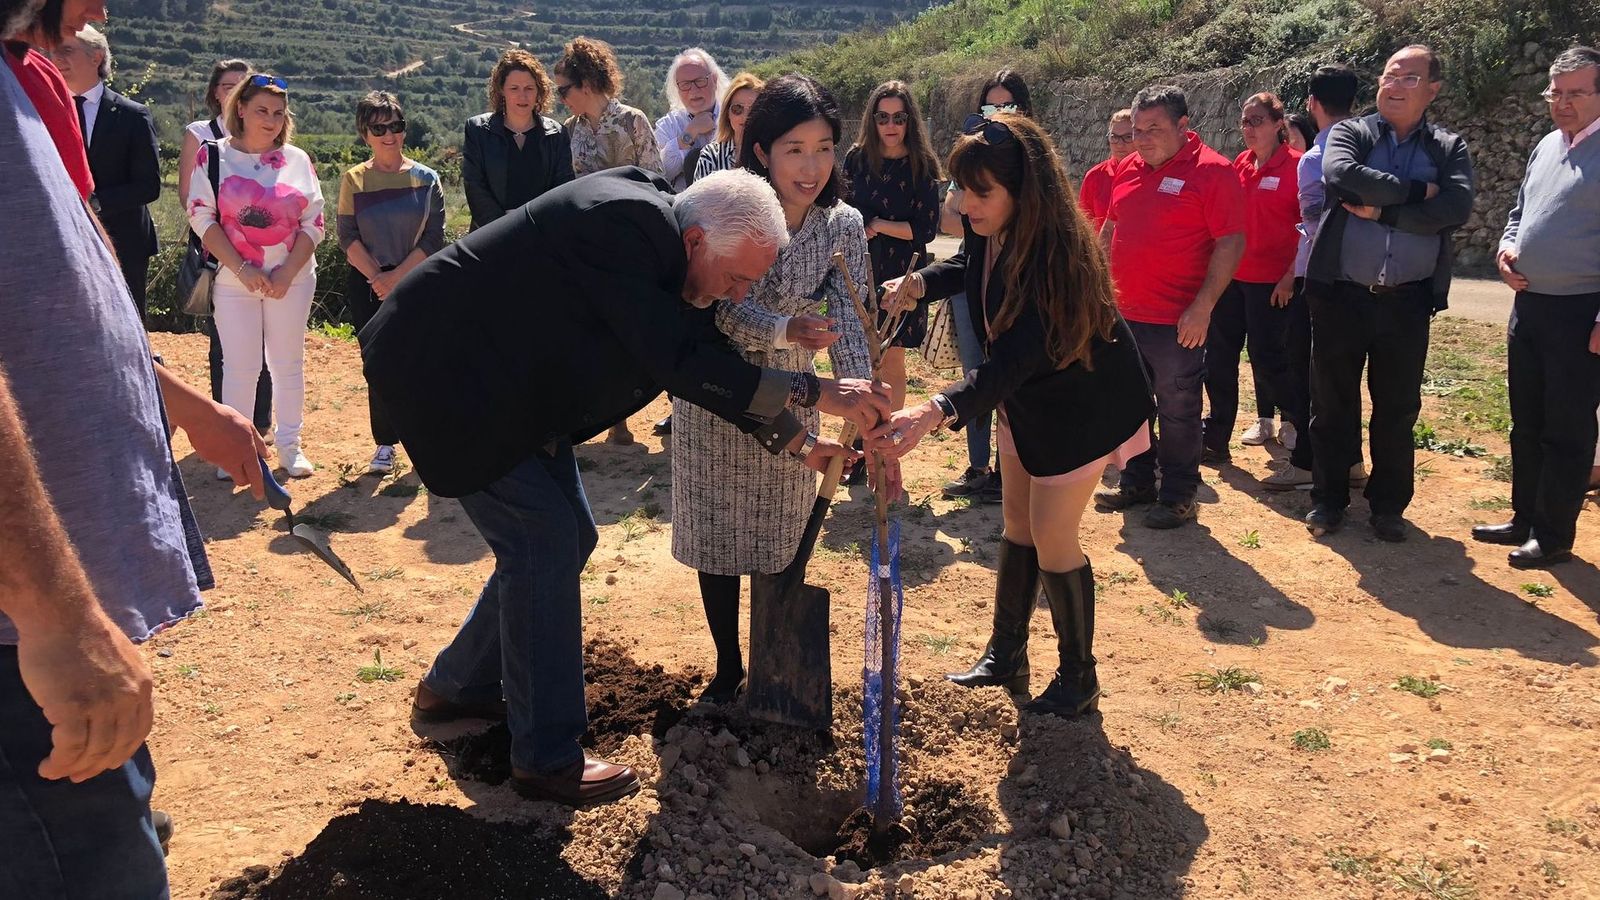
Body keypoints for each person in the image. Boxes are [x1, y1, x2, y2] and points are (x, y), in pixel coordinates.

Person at [361, 167, 888, 806]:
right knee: (544, 541)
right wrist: (813, 390)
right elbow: (676, 360)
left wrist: (800, 442)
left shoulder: (676, 256)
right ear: (696, 240)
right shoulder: (619, 226)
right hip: (449, 376)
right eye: (736, 278)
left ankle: (455, 687)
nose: (740, 293)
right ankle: (546, 759)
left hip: (513, 391)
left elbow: (709, 357)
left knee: (566, 538)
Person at [1, 0, 270, 888]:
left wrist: (182, 401)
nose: (100, 11)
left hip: (64, 581)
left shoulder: (25, 74)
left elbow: (71, 277)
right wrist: (52, 614)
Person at [873, 112, 1153, 717]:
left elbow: (1014, 360)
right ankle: (1006, 654)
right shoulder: (992, 225)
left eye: (982, 192)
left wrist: (936, 408)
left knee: (1053, 533)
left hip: (1078, 405)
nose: (964, 205)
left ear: (1023, 190)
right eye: (960, 188)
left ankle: (1079, 677)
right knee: (1018, 522)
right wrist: (920, 283)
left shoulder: (1055, 259)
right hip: (1027, 399)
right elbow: (970, 268)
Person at [673, 75, 876, 703]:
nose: (811, 167)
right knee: (716, 535)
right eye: (795, 150)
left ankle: (770, 664)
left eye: (824, 148)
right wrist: (785, 328)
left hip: (799, 390)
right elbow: (721, 308)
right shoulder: (731, 204)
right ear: (761, 150)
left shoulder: (841, 225)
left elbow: (852, 316)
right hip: (720, 389)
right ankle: (726, 665)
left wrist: (862, 399)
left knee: (779, 534)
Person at [1303, 45, 1475, 541]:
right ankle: (1328, 500)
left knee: (1398, 408)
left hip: (1407, 300)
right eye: (1389, 76)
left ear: (1432, 90)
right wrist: (1418, 191)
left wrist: (1384, 211)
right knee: (1331, 403)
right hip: (1342, 294)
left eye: (1409, 78)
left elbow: (1455, 207)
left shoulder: (1447, 148)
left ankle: (1388, 506)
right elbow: (1342, 176)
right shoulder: (1352, 133)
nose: (1395, 86)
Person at [1094, 85, 1245, 529]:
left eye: (1153, 129)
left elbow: (1231, 242)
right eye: (1137, 130)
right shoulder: (1129, 168)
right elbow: (1110, 229)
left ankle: (1179, 493)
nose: (1141, 139)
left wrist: (1203, 307)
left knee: (1178, 408)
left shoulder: (1213, 172)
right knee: (1129, 404)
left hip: (1177, 321)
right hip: (1124, 315)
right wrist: (1097, 288)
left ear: (1183, 125)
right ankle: (1137, 480)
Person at [1474, 46, 1600, 568]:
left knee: (1566, 428)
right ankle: (1523, 518)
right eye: (1555, 92)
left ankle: (1552, 536)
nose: (1562, 103)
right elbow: (1519, 211)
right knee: (1526, 421)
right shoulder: (1547, 144)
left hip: (1581, 312)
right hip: (1529, 307)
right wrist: (1507, 250)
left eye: (1576, 93)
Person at [187, 73, 326, 479]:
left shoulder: (297, 160)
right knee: (240, 367)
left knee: (287, 364)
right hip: (234, 281)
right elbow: (201, 216)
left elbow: (314, 223)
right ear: (241, 110)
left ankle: (289, 447)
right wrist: (242, 268)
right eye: (262, 110)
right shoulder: (213, 156)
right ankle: (239, 453)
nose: (271, 120)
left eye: (279, 113)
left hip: (292, 280)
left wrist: (286, 273)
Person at [554, 36, 662, 445]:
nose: (560, 98)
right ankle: (607, 419)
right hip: (588, 245)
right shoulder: (569, 131)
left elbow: (655, 181)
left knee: (629, 331)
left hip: (630, 242)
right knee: (594, 331)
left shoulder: (633, 121)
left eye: (564, 89)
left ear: (586, 83)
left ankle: (624, 414)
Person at [337, 91, 446, 477]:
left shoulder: (427, 179)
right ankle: (385, 443)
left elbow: (434, 237)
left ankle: (425, 439)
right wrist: (377, 278)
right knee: (379, 364)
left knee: (419, 360)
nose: (389, 135)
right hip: (368, 283)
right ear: (364, 133)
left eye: (395, 126)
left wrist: (395, 277)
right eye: (379, 128)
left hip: (416, 282)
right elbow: (346, 237)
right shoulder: (353, 179)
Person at [938, 69, 1033, 504]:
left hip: (1012, 285)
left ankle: (1009, 471)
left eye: (1007, 105)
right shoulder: (972, 157)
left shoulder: (1033, 164)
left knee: (1012, 375)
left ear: (1024, 109)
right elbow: (948, 219)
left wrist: (976, 216)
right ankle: (979, 467)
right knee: (975, 372)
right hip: (973, 279)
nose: (998, 113)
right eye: (990, 106)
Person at [1266, 63, 1362, 492]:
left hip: (1316, 277)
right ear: (1355, 102)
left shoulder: (1314, 158)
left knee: (1310, 374)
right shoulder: (1367, 150)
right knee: (1345, 373)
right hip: (1359, 277)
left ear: (1311, 103)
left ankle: (1307, 461)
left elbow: (1313, 222)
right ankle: (1352, 460)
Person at [1202, 92, 1300, 470]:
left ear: (1278, 124)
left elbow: (1310, 228)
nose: (1248, 128)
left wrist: (1290, 276)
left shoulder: (1297, 166)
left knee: (1270, 359)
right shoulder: (1239, 165)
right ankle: (1216, 438)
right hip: (1232, 280)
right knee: (1219, 360)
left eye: (1257, 120)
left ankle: (1297, 424)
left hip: (1273, 285)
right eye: (1244, 121)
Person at [183, 58, 273, 442]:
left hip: (262, 250)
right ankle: (228, 424)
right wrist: (227, 236)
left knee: (264, 338)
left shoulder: (267, 133)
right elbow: (188, 196)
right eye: (226, 86)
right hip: (216, 250)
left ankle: (261, 422)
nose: (233, 91)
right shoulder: (200, 134)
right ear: (216, 94)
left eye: (241, 85)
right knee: (223, 341)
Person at [48, 24, 159, 323]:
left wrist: (93, 203)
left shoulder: (133, 115)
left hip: (124, 241)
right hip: (63, 239)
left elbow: (148, 186)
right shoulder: (45, 112)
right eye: (53, 52)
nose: (57, 59)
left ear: (96, 57)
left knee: (127, 323)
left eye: (66, 50)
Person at [845, 80, 940, 413]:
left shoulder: (922, 165)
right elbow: (841, 208)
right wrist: (862, 225)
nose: (890, 125)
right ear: (872, 120)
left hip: (901, 273)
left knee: (891, 359)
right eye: (882, 117)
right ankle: (864, 431)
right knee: (858, 356)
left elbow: (925, 230)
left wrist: (877, 224)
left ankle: (888, 431)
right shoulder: (856, 159)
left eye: (899, 118)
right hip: (860, 268)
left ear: (909, 121)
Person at [462, 49, 572, 231]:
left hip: (542, 236)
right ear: (501, 90)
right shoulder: (477, 131)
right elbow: (475, 188)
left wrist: (536, 231)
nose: (523, 96)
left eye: (529, 88)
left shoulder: (557, 135)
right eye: (514, 88)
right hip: (490, 237)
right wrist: (504, 231)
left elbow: (562, 191)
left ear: (539, 91)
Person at [654, 47, 727, 190]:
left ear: (714, 79)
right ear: (677, 88)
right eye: (685, 84)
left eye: (700, 81)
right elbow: (660, 174)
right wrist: (690, 133)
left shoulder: (734, 116)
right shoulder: (668, 125)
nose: (693, 90)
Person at [692, 70, 763, 181]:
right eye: (737, 108)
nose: (745, 116)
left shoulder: (773, 154)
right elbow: (699, 193)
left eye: (754, 109)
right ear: (727, 113)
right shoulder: (711, 156)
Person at [1077, 108, 1134, 230]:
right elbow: (1083, 224)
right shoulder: (1095, 176)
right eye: (1114, 137)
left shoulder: (1151, 173)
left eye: (1128, 137)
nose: (1120, 144)